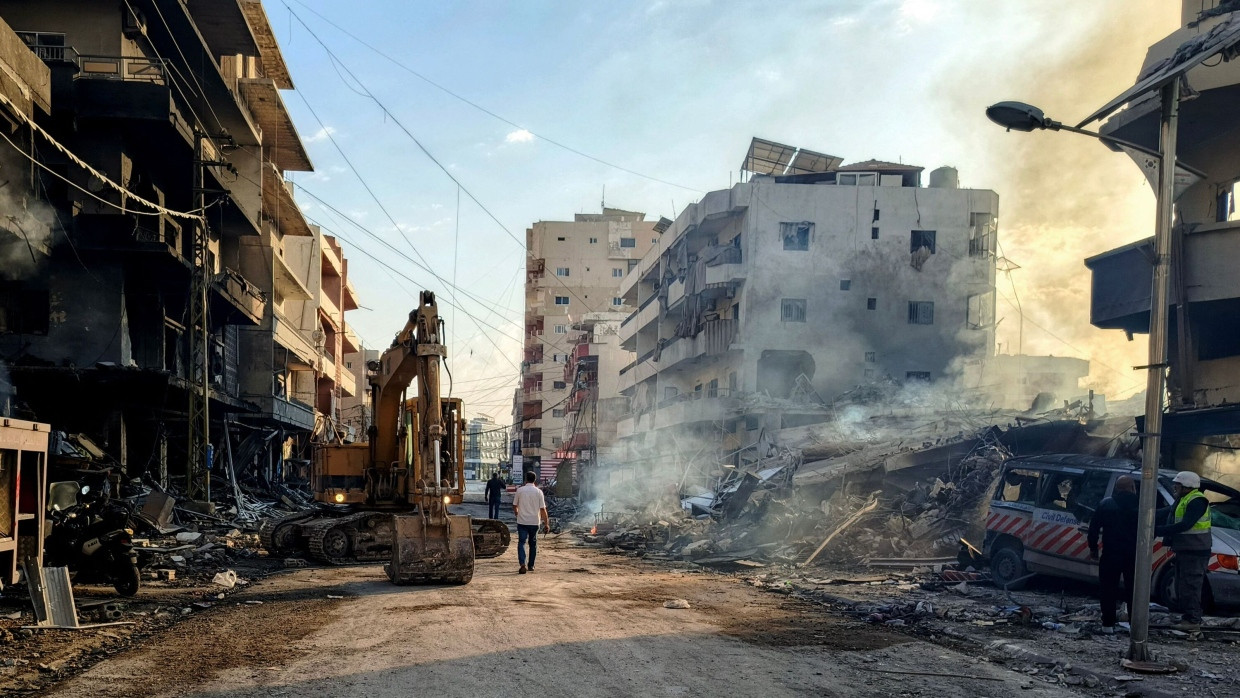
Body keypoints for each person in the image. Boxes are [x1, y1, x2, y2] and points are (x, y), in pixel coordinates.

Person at [1155, 470, 1213, 631]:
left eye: (1178, 484)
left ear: (1187, 486)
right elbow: (1169, 513)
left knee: (1191, 586)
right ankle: (1188, 618)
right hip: (1186, 549)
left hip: (1195, 551)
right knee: (1183, 586)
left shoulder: (1197, 501)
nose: (1175, 487)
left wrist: (1158, 530)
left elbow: (1185, 524)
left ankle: (1193, 621)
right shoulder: (1184, 499)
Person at [1087, 475, 1139, 633]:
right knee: (1134, 591)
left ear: (1116, 488)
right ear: (1132, 488)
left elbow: (1093, 528)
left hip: (1110, 553)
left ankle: (1108, 625)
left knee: (1108, 589)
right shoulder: (1142, 503)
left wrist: (1093, 548)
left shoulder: (1106, 504)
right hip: (1133, 555)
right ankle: (1134, 626)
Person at [511, 470, 549, 574]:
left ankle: (523, 564)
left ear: (526, 479)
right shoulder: (538, 492)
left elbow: (514, 505)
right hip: (534, 522)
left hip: (522, 521)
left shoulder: (520, 490)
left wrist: (517, 513)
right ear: (535, 480)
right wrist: (546, 523)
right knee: (533, 544)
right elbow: (543, 509)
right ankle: (531, 565)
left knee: (522, 542)